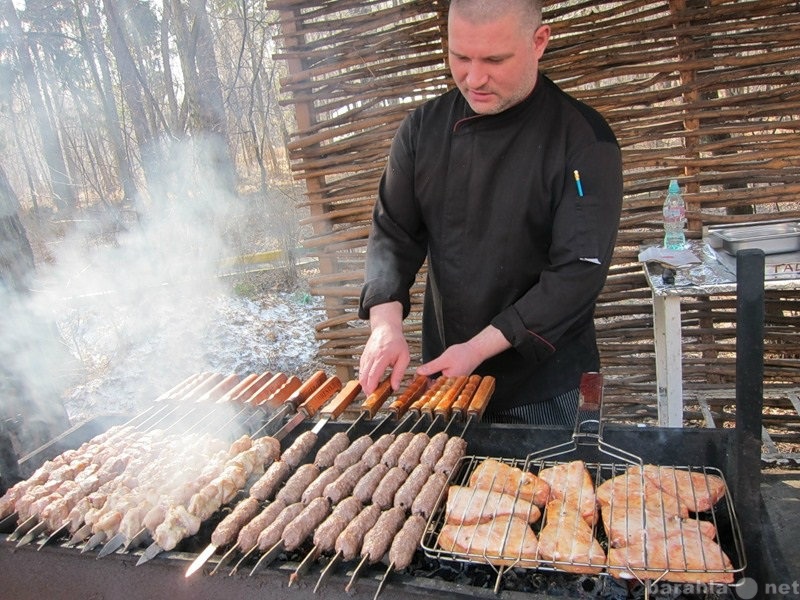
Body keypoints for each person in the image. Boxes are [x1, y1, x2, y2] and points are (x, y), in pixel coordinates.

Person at [357, 0, 623, 425]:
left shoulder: (584, 142)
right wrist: (385, 324)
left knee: (553, 492)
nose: (474, 78)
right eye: (460, 57)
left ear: (539, 42)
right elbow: (393, 234)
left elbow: (577, 273)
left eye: (495, 60)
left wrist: (478, 349)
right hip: (447, 378)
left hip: (544, 388)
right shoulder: (423, 129)